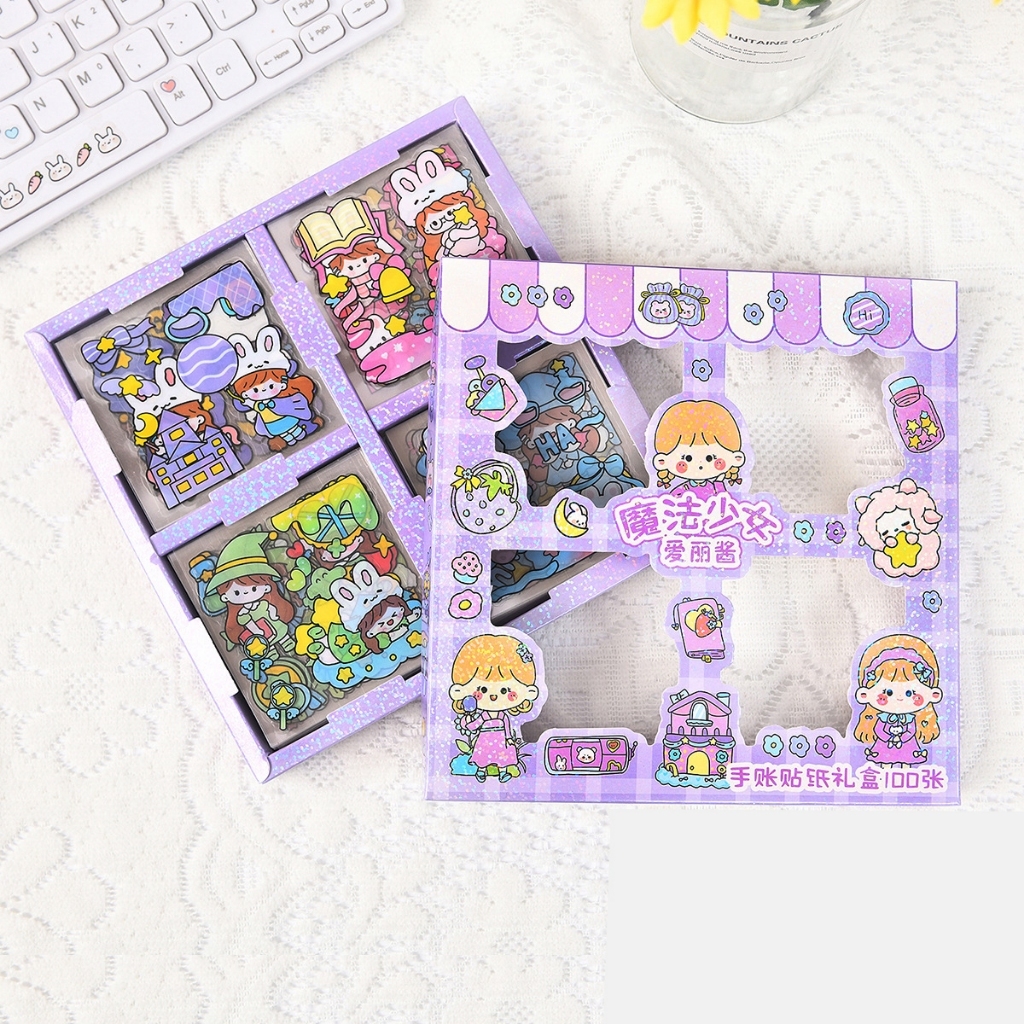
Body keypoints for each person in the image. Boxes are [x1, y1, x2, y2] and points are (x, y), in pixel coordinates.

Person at [449, 634, 539, 782]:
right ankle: (481, 771)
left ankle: (503, 772)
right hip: (485, 739)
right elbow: (475, 725)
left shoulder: (503, 716)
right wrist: (466, 721)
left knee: (502, 756)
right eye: (482, 689)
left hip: (501, 739)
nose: (493, 696)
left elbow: (507, 728)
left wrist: (509, 739)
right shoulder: (484, 716)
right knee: (482, 755)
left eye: (504, 690)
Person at [854, 634, 943, 765]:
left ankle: (906, 773)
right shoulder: (882, 717)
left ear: (933, 695)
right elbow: (879, 729)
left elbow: (911, 730)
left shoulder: (910, 719)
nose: (900, 698)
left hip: (907, 744)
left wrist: (902, 737)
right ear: (864, 695)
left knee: (907, 762)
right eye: (888, 692)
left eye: (910, 693)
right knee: (884, 762)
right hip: (885, 744)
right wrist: (889, 737)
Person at [651, 399, 745, 499]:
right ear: (662, 461)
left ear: (736, 458)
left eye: (710, 458)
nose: (700, 463)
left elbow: (723, 498)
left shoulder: (712, 487)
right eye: (687, 458)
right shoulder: (683, 488)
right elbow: (670, 500)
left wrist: (718, 482)